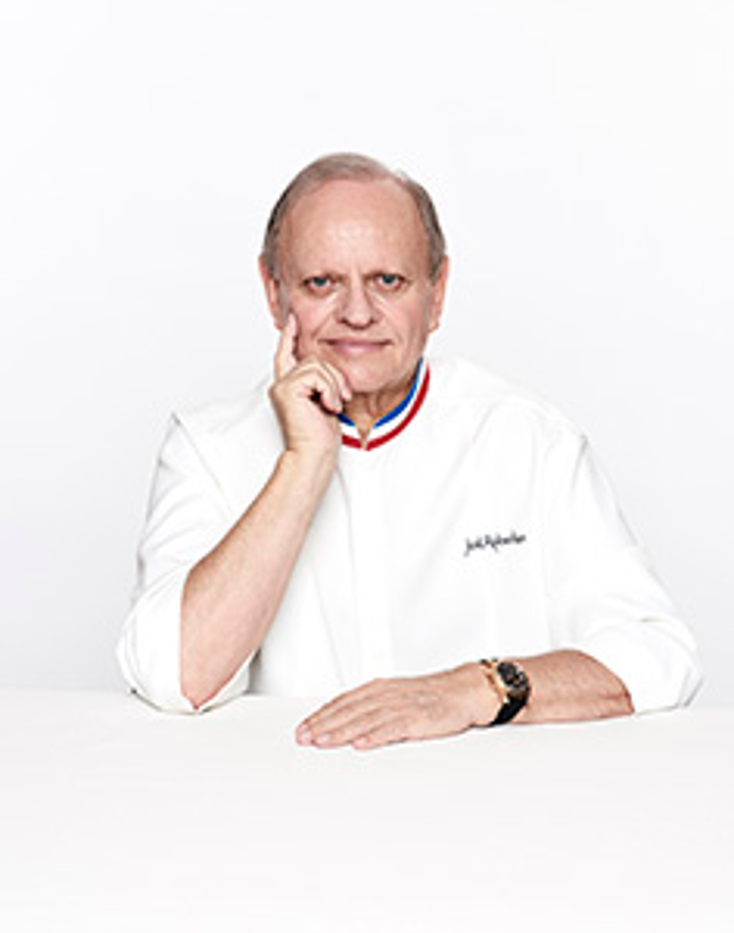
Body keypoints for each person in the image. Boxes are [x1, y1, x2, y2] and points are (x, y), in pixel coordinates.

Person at [117, 152, 702, 749]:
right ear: (274, 294)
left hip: (494, 801)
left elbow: (657, 654)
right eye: (321, 283)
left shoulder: (529, 439)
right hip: (292, 796)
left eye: (387, 282)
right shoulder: (207, 447)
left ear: (437, 292)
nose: (357, 313)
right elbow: (176, 677)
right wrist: (303, 465)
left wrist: (471, 690)